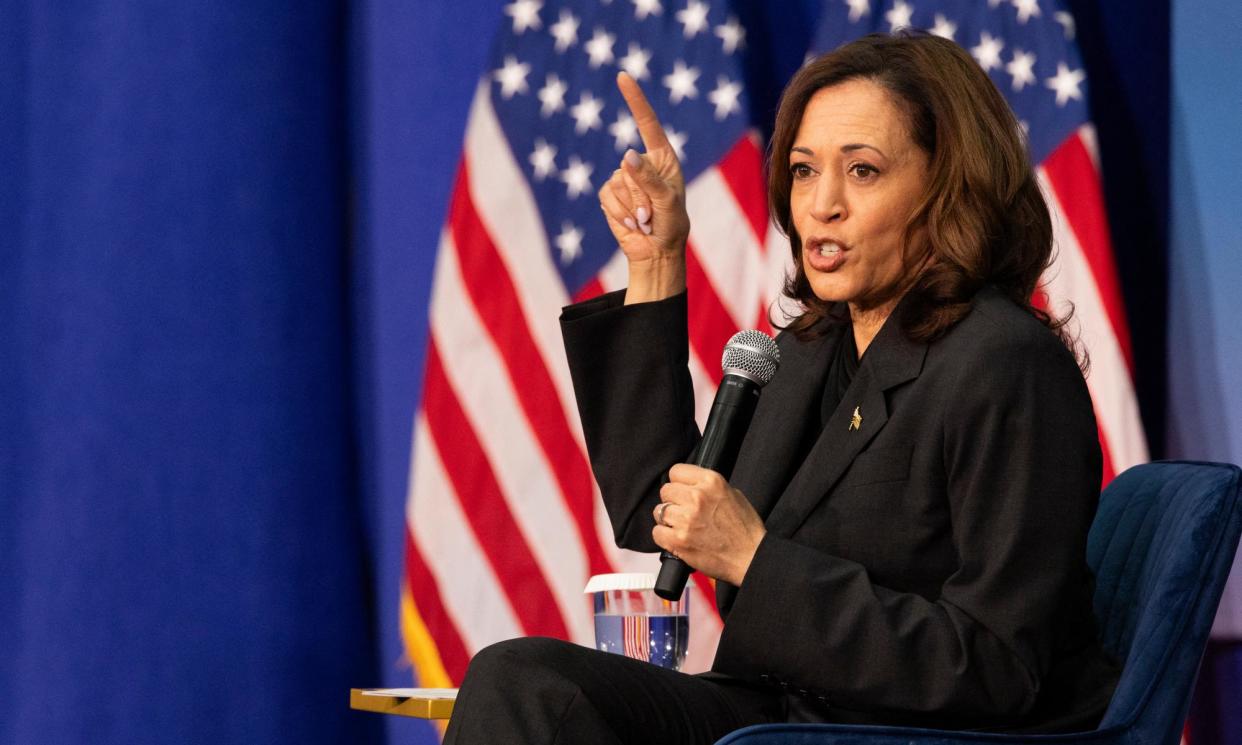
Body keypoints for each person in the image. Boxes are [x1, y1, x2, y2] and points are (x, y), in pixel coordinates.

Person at [443, 32, 1119, 745]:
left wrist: (754, 559)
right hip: (790, 716)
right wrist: (658, 259)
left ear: (949, 184)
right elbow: (661, 507)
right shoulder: (813, 347)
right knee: (530, 685)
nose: (820, 205)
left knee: (523, 686)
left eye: (862, 171)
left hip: (899, 734)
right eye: (802, 171)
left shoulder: (1005, 362)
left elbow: (998, 665)